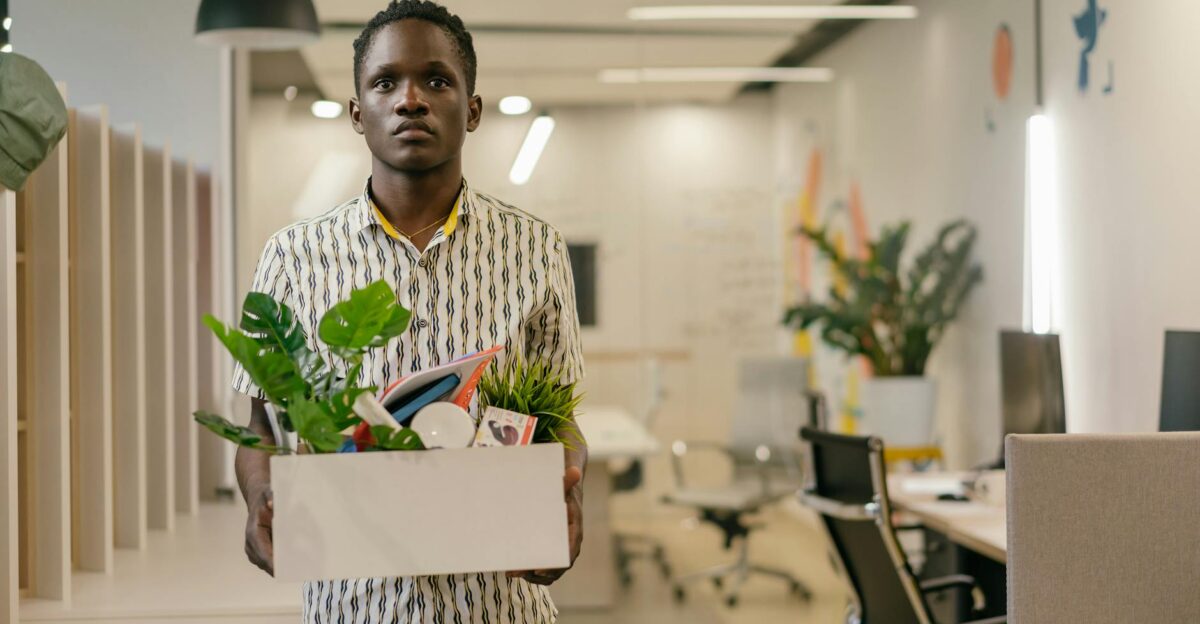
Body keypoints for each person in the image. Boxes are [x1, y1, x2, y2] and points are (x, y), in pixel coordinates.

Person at [230, 1, 586, 621]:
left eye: (437, 81)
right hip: (353, 603)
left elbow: (561, 420)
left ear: (472, 110)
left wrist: (568, 495)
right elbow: (263, 424)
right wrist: (261, 494)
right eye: (386, 82)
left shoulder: (536, 248)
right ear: (357, 112)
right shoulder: (292, 256)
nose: (411, 100)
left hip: (500, 602)